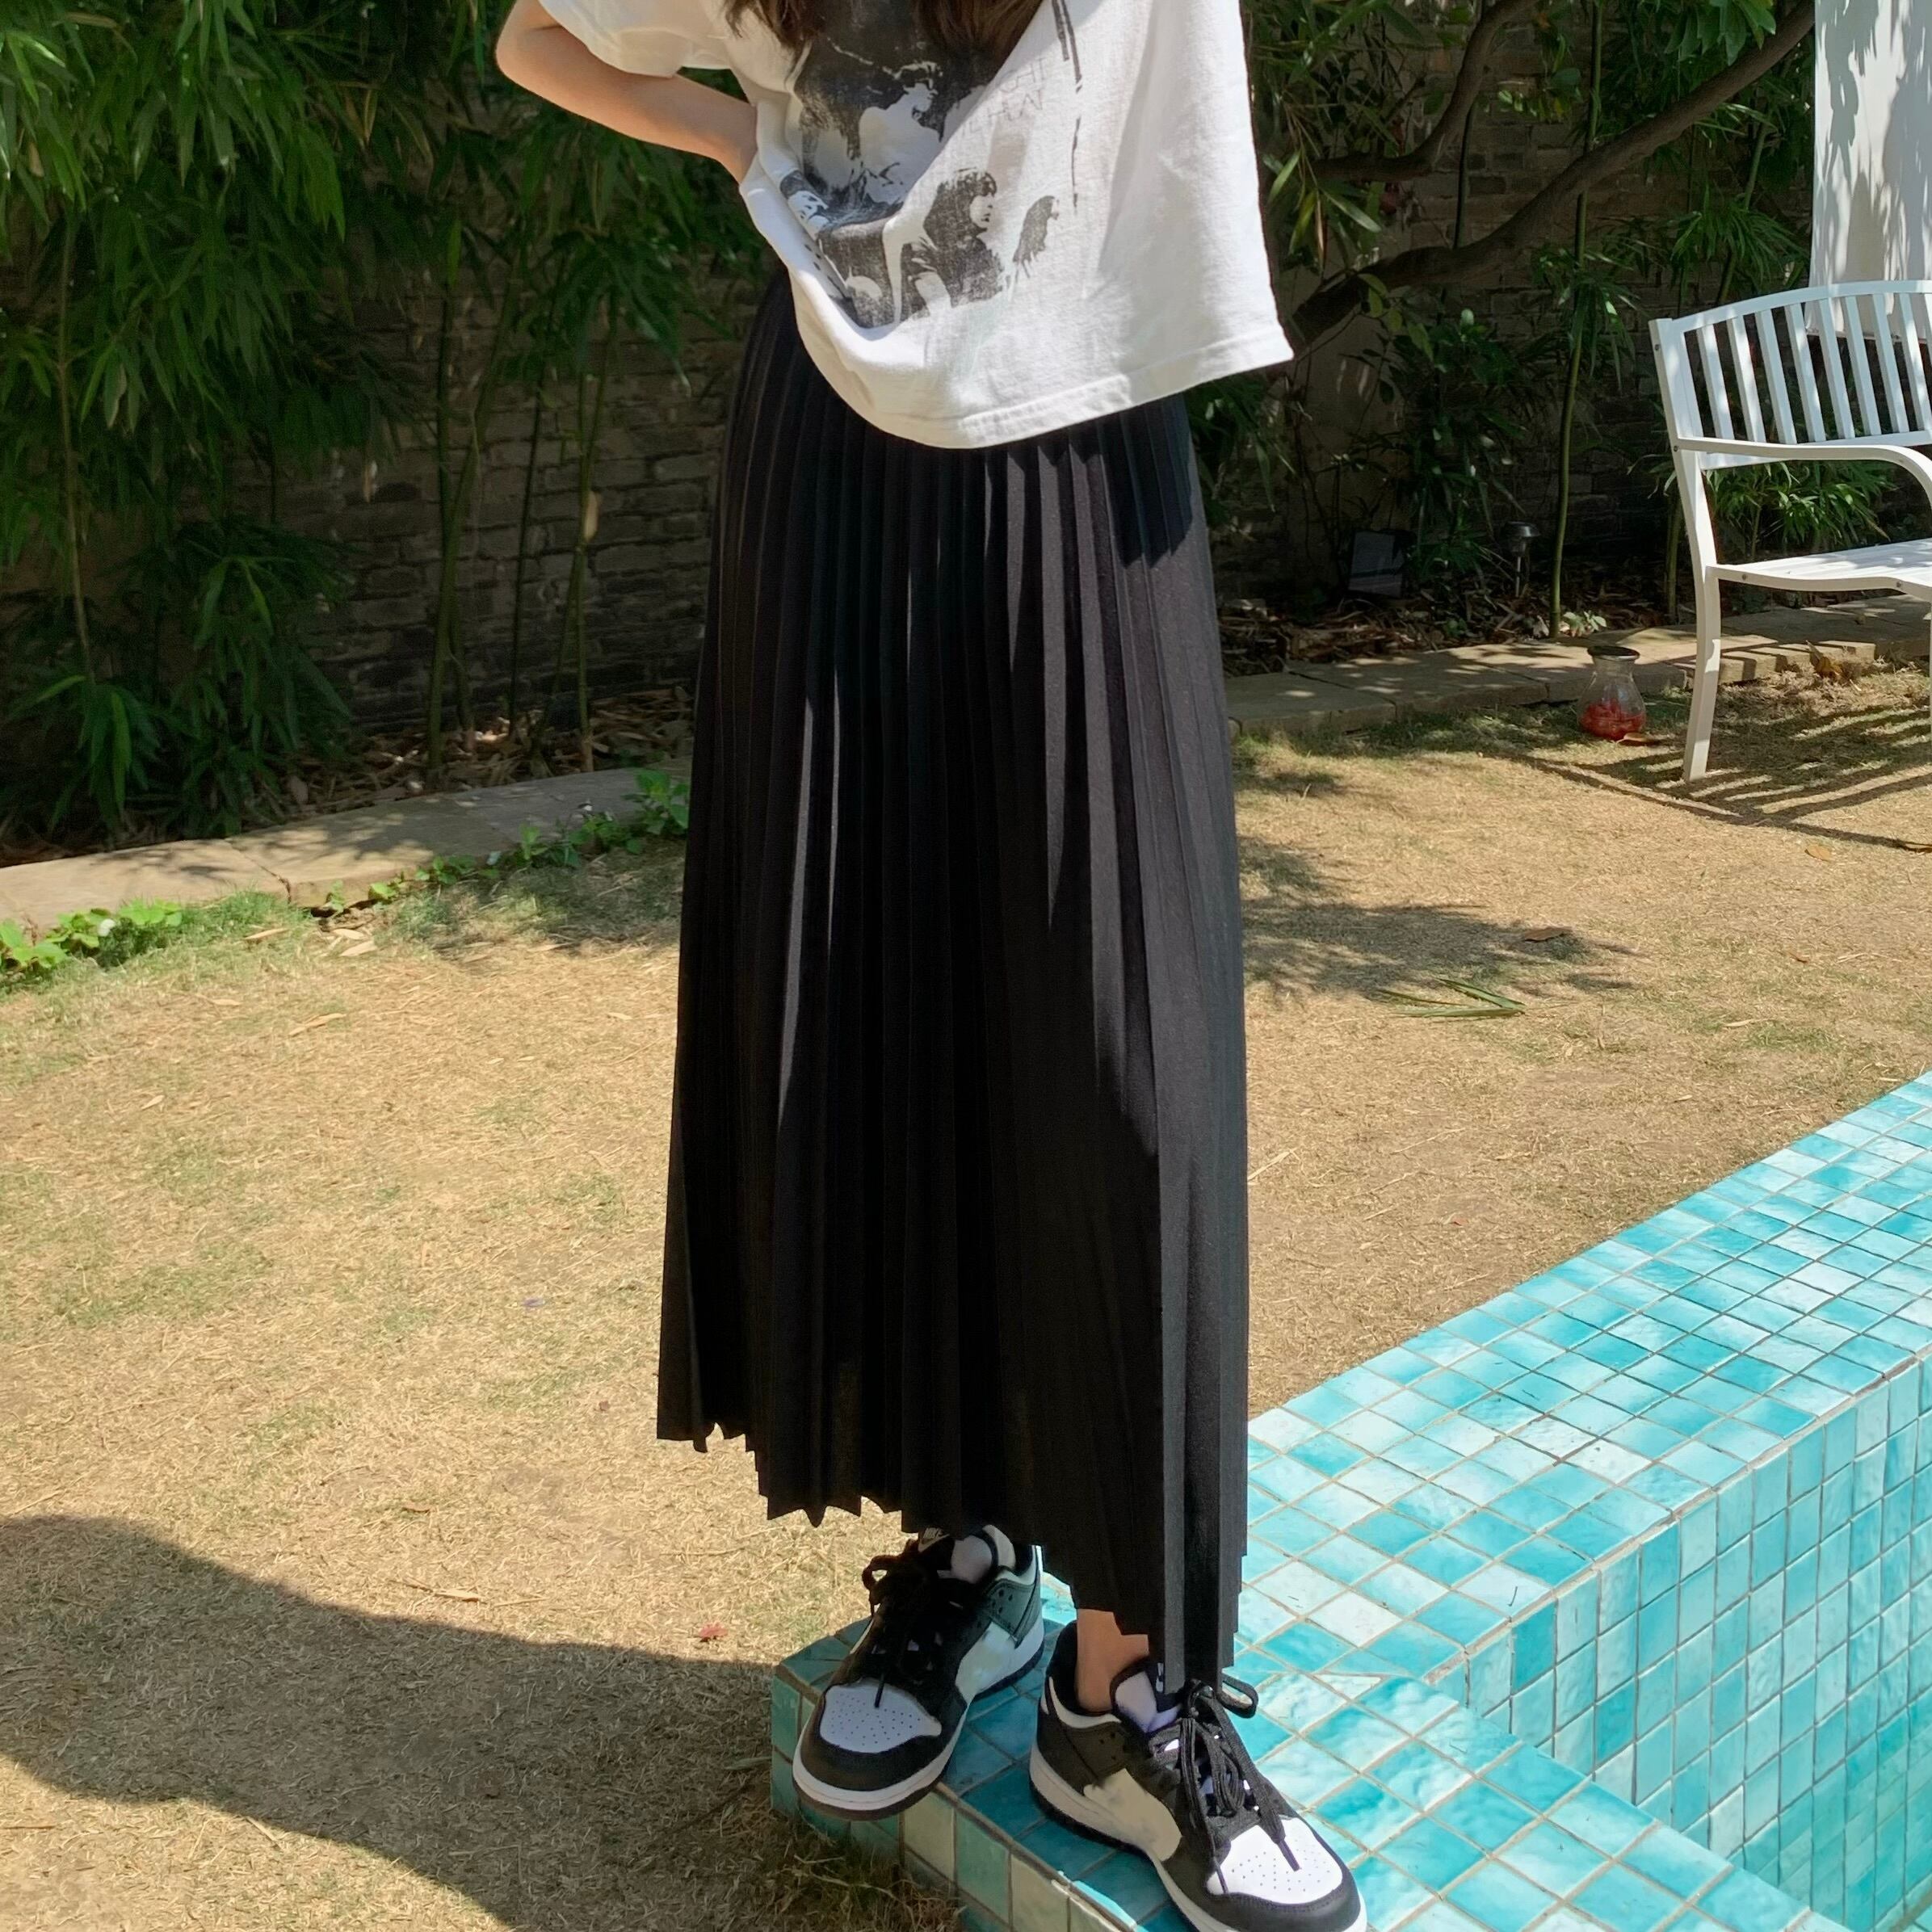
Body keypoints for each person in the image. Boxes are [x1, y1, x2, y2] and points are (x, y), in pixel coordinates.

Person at [495, 2, 1364, 1927]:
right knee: (881, 1006)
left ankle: (1121, 1693)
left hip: (1088, 433)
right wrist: (748, 144)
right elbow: (539, 37)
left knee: (1129, 1076)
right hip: (835, 449)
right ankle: (958, 1548)